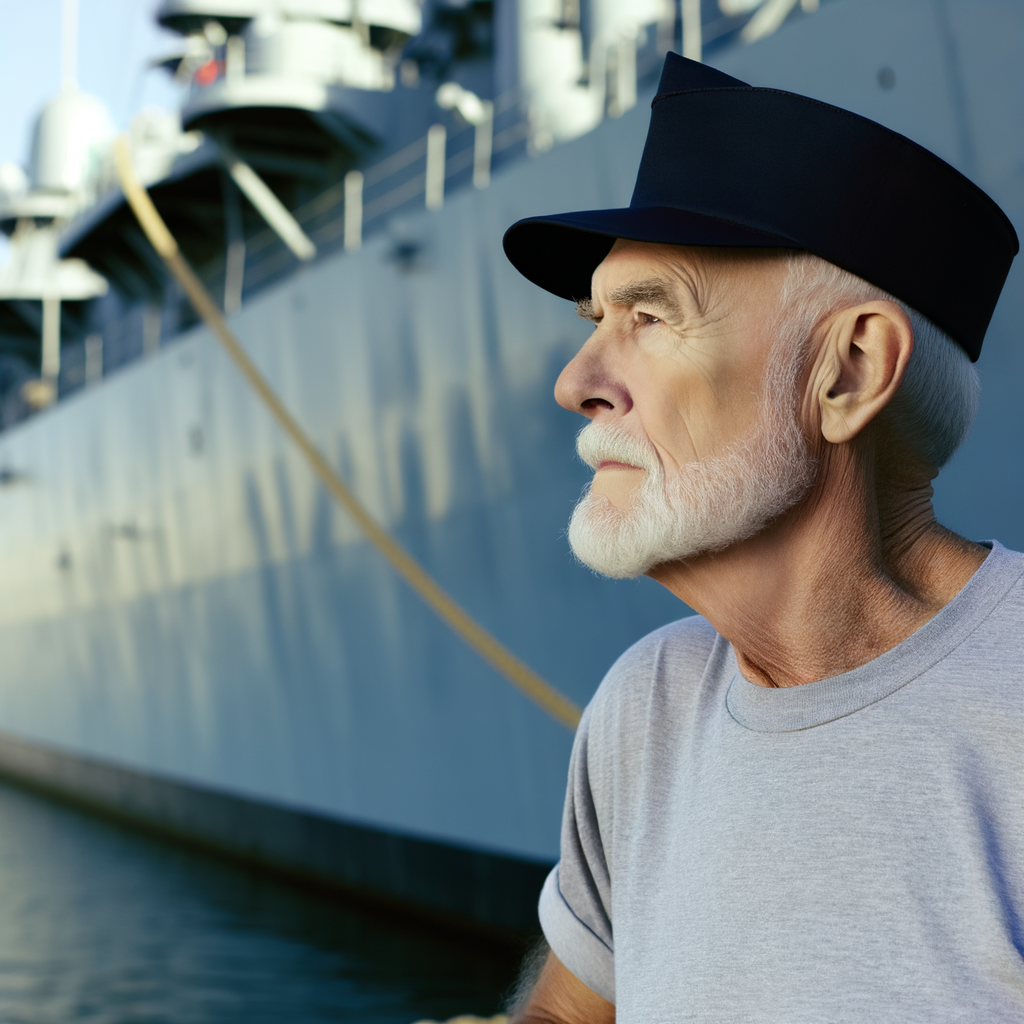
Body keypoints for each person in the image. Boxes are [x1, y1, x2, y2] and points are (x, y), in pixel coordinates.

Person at [500, 54, 1022, 1022]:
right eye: (594, 317)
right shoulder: (645, 705)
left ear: (848, 372)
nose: (577, 379)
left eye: (649, 315)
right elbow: (568, 1010)